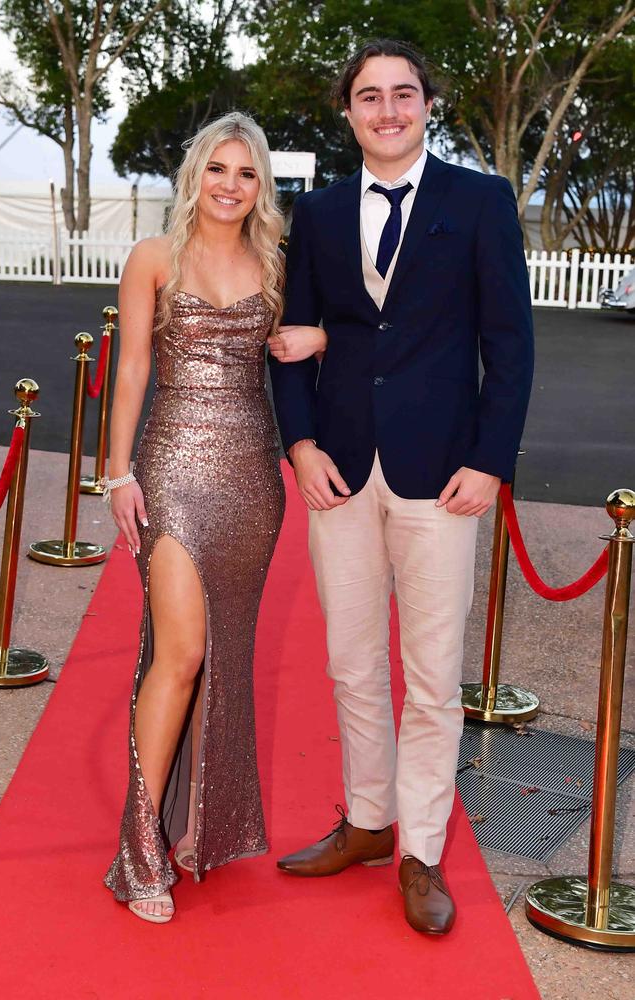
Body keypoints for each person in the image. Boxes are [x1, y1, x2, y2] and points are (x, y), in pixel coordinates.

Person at [267, 39, 534, 936]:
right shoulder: (321, 212)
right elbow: (297, 337)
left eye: (403, 94)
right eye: (369, 96)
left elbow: (511, 346)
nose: (387, 109)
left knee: (429, 676)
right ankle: (370, 822)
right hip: (339, 470)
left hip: (442, 475)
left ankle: (421, 849)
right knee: (350, 663)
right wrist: (299, 443)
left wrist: (491, 461)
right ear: (348, 111)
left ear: (427, 104)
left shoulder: (482, 202)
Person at [103, 111, 326, 924]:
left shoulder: (276, 263)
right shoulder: (154, 257)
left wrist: (323, 335)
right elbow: (130, 371)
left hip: (250, 477)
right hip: (170, 470)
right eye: (218, 170)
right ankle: (139, 849)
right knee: (182, 650)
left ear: (261, 186)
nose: (231, 186)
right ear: (195, 174)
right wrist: (116, 472)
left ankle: (194, 827)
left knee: (222, 652)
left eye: (247, 174)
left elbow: (318, 344)